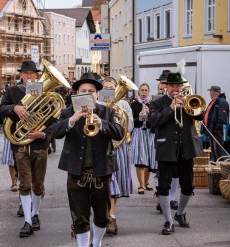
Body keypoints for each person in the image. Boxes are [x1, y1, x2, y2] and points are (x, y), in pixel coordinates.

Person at [51, 72, 124, 247]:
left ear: (97, 94)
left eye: (91, 91)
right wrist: (72, 119)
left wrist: (103, 124)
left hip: (101, 171)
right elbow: (55, 132)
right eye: (83, 90)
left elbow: (120, 132)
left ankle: (97, 242)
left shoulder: (106, 111)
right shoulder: (68, 112)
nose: (88, 93)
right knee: (79, 215)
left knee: (102, 215)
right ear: (76, 93)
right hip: (77, 171)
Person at [0, 61, 50, 238]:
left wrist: (43, 134)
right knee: (25, 183)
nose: (29, 76)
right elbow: (0, 111)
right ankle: (28, 220)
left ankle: (35, 214)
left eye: (32, 73)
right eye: (25, 73)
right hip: (20, 145)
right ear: (20, 75)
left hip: (40, 145)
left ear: (37, 76)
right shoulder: (12, 91)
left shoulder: (45, 92)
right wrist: (15, 107)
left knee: (39, 185)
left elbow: (55, 120)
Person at [149, 72, 204, 235]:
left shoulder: (188, 101)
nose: (176, 89)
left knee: (187, 186)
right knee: (163, 186)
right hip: (166, 149)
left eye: (178, 86)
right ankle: (168, 220)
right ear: (166, 86)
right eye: (173, 86)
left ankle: (180, 213)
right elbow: (154, 122)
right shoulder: (158, 103)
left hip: (186, 149)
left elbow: (200, 115)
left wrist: (190, 103)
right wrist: (171, 108)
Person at [100, 77, 134, 235]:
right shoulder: (98, 104)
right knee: (105, 184)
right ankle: (106, 214)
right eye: (105, 87)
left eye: (111, 87)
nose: (108, 89)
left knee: (114, 184)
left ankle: (111, 216)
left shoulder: (124, 104)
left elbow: (131, 125)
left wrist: (120, 119)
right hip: (101, 148)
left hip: (118, 147)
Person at [154, 70, 179, 212]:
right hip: (162, 139)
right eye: (163, 83)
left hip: (178, 142)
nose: (164, 85)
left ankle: (172, 198)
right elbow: (155, 120)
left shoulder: (182, 97)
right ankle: (161, 198)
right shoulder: (158, 100)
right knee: (161, 171)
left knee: (175, 172)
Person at [130, 83, 156, 194]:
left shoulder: (153, 104)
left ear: (148, 91)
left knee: (149, 159)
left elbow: (155, 120)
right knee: (140, 159)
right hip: (139, 131)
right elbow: (132, 122)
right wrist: (139, 117)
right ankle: (141, 185)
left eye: (146, 90)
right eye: (142, 90)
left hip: (149, 132)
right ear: (139, 91)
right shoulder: (134, 104)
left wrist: (149, 114)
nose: (144, 92)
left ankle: (146, 182)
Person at [201, 86, 229, 161]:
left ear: (214, 92)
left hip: (216, 133)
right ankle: (216, 169)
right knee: (213, 153)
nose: (210, 93)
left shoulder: (222, 102)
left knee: (218, 153)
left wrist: (216, 130)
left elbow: (222, 119)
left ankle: (220, 169)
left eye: (210, 91)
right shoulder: (214, 101)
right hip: (212, 132)